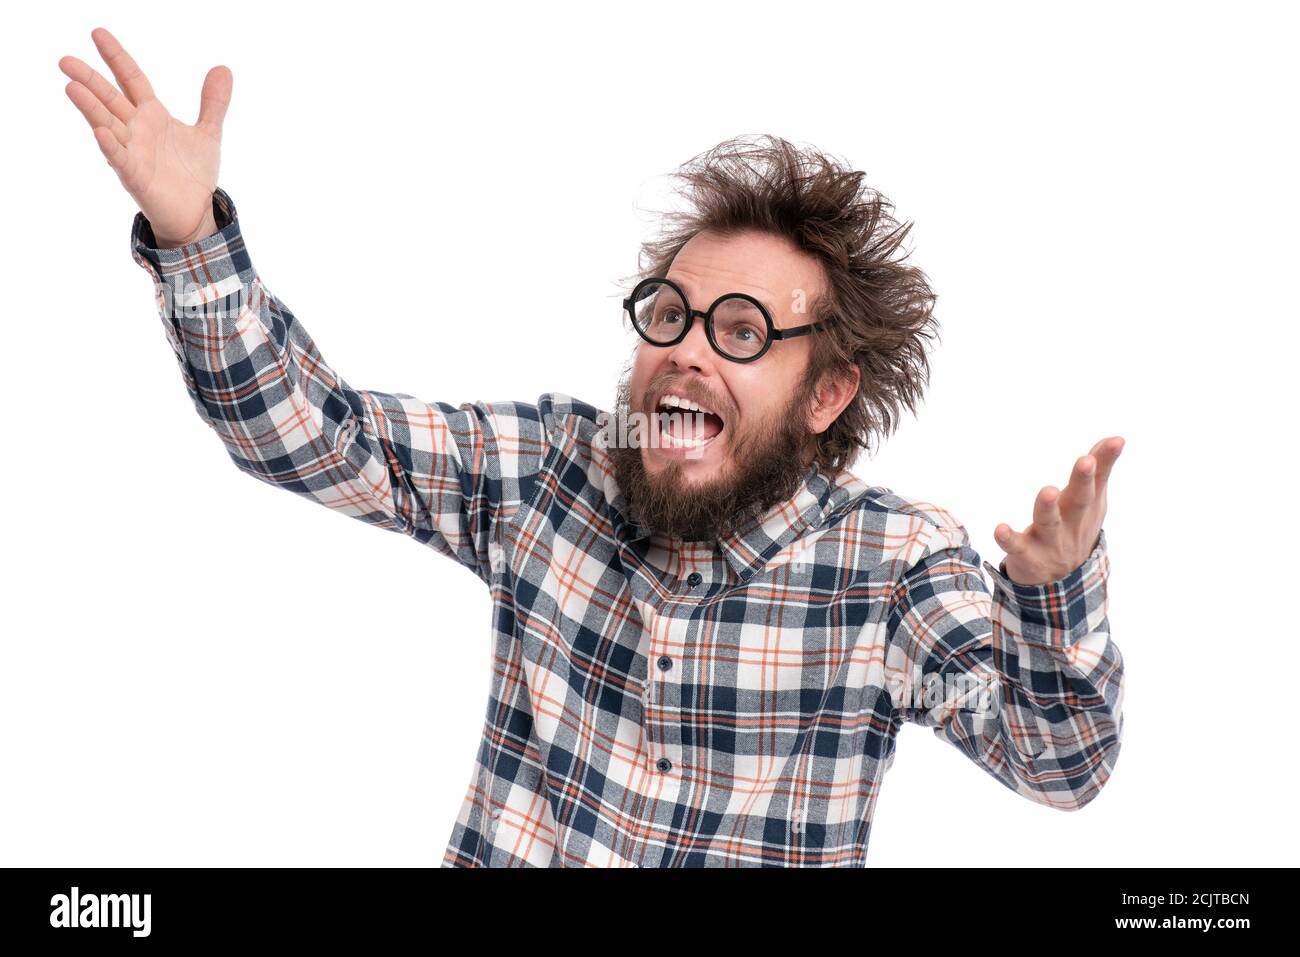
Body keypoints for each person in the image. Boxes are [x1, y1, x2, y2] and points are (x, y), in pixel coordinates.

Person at [60, 27, 1126, 868]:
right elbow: (307, 434)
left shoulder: (888, 570)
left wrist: (1053, 596)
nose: (687, 353)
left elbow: (1058, 766)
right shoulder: (549, 472)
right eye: (670, 314)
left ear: (826, 392)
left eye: (744, 333)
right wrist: (194, 236)